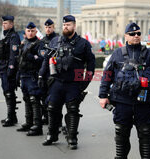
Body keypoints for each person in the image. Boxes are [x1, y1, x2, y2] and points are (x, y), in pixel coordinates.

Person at [99, 22, 150, 159]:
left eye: (138, 33)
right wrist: (102, 95)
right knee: (121, 133)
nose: (136, 36)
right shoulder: (117, 54)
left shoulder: (149, 54)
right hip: (122, 101)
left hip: (143, 101)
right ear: (126, 36)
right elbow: (107, 75)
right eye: (132, 34)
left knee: (145, 132)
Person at [40, 15, 95, 149]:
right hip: (57, 82)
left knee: (73, 110)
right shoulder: (55, 41)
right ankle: (52, 135)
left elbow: (91, 66)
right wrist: (41, 76)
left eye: (69, 25)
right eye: (64, 25)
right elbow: (46, 61)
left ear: (74, 26)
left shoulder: (83, 43)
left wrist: (84, 83)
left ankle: (72, 138)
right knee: (52, 109)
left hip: (74, 83)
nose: (66, 27)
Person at [16, 22, 45, 136]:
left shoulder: (39, 44)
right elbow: (20, 60)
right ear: (25, 32)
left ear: (36, 32)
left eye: (33, 31)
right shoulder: (24, 43)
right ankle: (29, 122)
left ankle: (37, 126)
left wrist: (32, 57)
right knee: (26, 99)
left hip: (33, 75)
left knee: (34, 100)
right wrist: (18, 74)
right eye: (28, 31)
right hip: (24, 75)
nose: (30, 32)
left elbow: (42, 58)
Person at [0, 15, 21, 127]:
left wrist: (11, 69)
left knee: (9, 93)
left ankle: (11, 117)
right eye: (3, 23)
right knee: (6, 92)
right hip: (3, 69)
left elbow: (13, 55)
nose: (3, 25)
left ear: (11, 24)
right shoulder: (6, 37)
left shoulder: (13, 37)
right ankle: (11, 116)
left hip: (8, 70)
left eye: (6, 23)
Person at [39, 18, 58, 125]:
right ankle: (46, 117)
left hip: (53, 73)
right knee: (43, 97)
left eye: (49, 27)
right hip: (44, 71)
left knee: (54, 99)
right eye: (46, 27)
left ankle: (55, 121)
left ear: (53, 27)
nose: (48, 29)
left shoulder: (57, 40)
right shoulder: (42, 41)